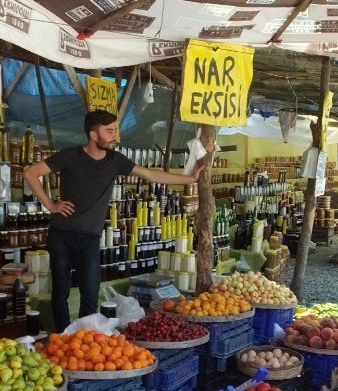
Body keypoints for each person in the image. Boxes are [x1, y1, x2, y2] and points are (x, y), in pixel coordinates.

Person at [24, 110, 204, 332]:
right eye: (109, 131)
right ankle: (63, 338)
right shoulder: (70, 156)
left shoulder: (115, 161)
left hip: (90, 237)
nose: (115, 136)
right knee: (61, 290)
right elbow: (31, 173)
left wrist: (190, 179)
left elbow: (152, 175)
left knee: (90, 292)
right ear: (93, 134)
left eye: (115, 130)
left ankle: (85, 338)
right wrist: (50, 204)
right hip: (61, 232)